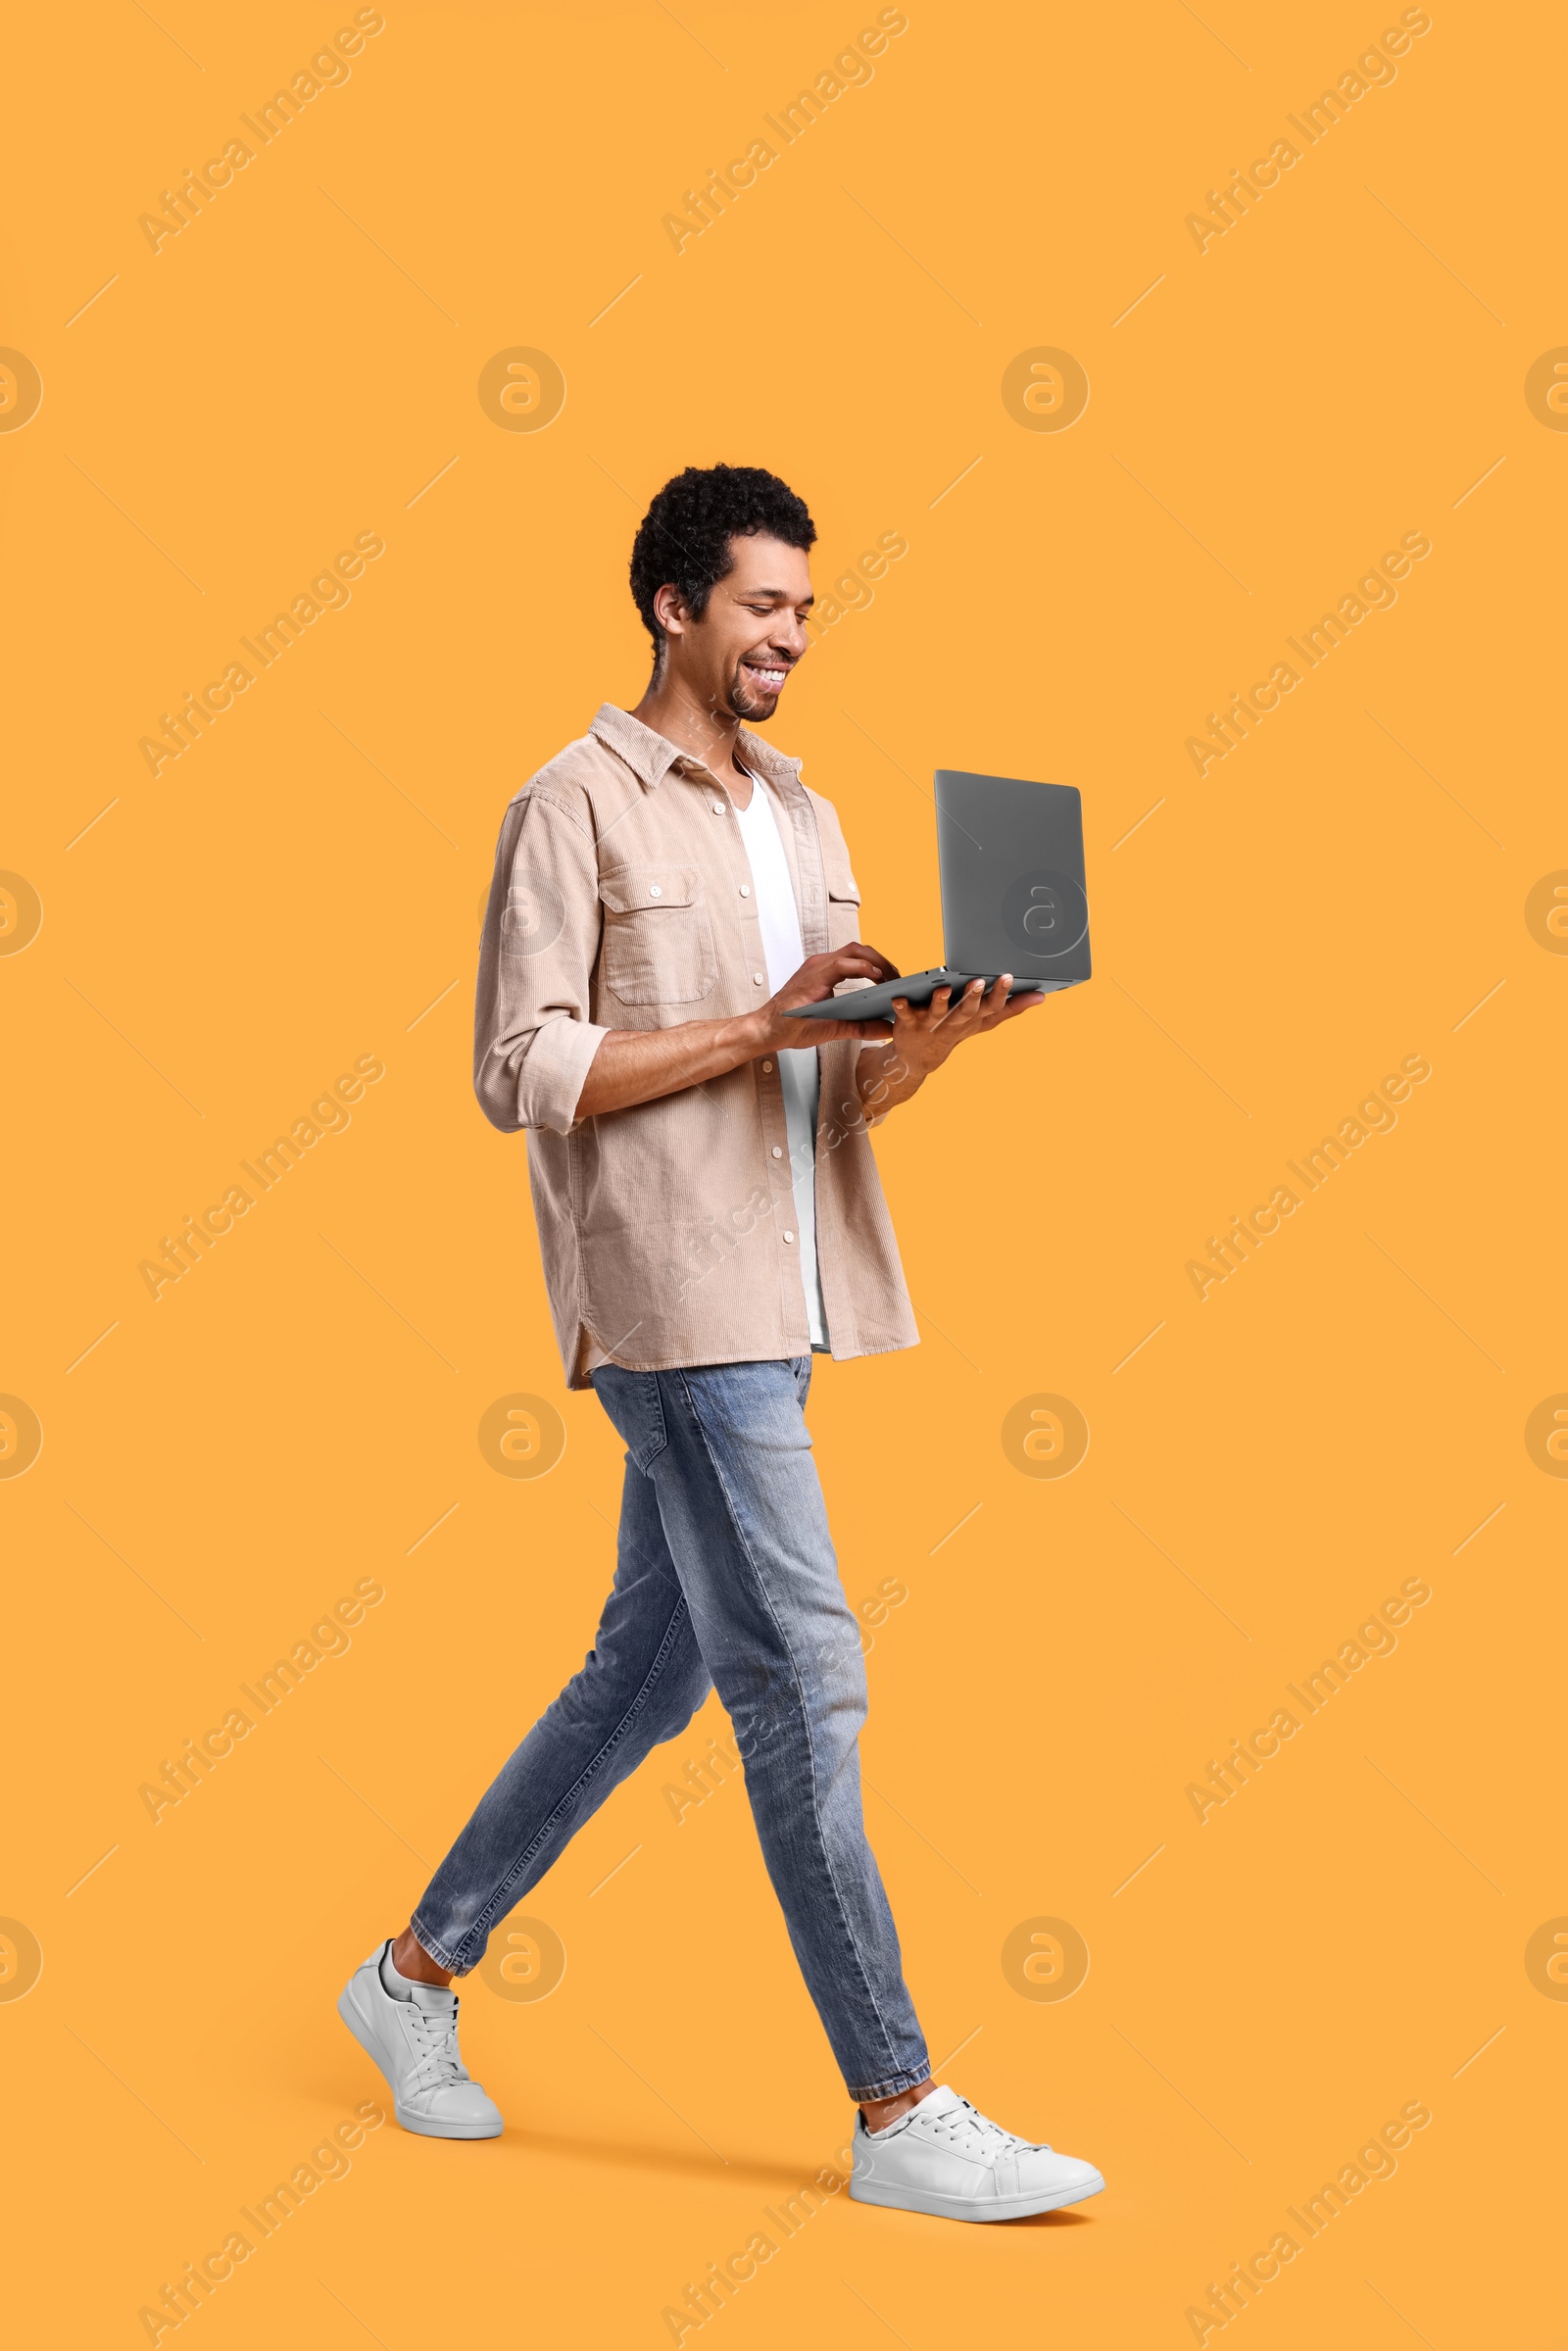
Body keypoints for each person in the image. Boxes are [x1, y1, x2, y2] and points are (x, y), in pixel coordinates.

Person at [337, 464, 1104, 2222]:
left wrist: (941, 1033)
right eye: (764, 605)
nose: (791, 637)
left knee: (652, 1672)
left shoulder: (805, 816)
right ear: (675, 606)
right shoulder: (574, 806)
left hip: (792, 1281)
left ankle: (409, 1979)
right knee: (805, 1679)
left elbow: (833, 1087)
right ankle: (898, 2104)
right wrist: (747, 1024)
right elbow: (516, 1066)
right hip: (676, 1298)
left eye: (808, 611)